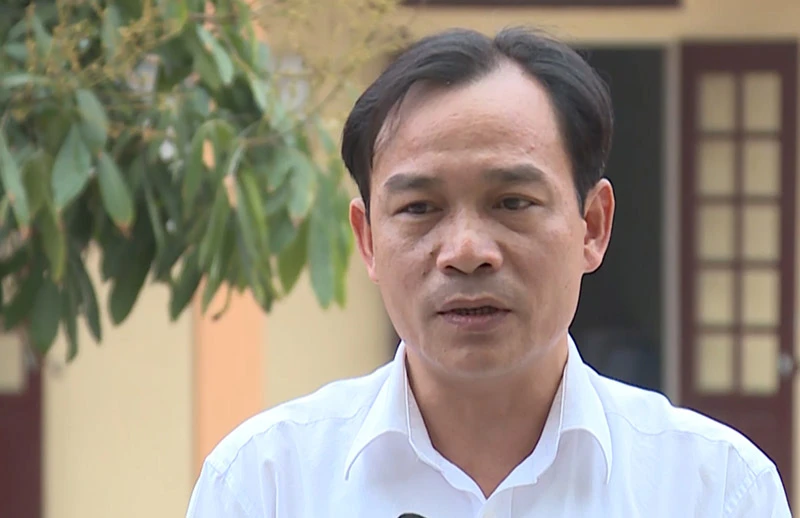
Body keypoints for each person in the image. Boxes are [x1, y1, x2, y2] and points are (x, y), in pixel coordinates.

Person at [185, 26, 791, 517]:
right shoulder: (265, 485)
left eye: (512, 202)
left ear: (592, 226)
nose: (467, 251)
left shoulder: (714, 488)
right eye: (419, 208)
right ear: (367, 240)